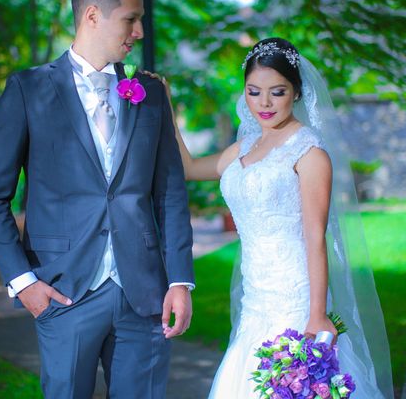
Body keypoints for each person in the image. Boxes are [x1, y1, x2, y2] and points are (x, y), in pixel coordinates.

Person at [0, 0, 195, 399]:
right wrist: (24, 282)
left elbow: (169, 192)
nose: (139, 33)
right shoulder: (28, 90)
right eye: (130, 20)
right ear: (92, 15)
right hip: (63, 291)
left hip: (144, 295)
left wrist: (179, 281)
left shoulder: (148, 93)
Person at [164, 37, 393, 398]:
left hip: (296, 297)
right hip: (256, 299)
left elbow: (315, 238)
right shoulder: (245, 146)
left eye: (277, 92)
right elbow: (189, 167)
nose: (265, 103)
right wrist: (165, 107)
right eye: (254, 92)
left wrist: (316, 314)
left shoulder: (309, 152)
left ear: (297, 92)